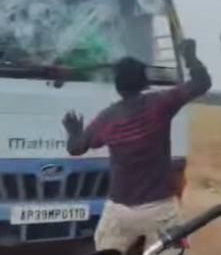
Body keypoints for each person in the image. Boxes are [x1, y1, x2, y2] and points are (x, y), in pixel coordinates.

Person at [62, 39, 211, 253]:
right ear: (144, 82)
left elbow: (76, 148)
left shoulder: (109, 118)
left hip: (119, 211)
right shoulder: (160, 104)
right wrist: (190, 57)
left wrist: (74, 131)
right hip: (160, 210)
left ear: (118, 85)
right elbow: (201, 83)